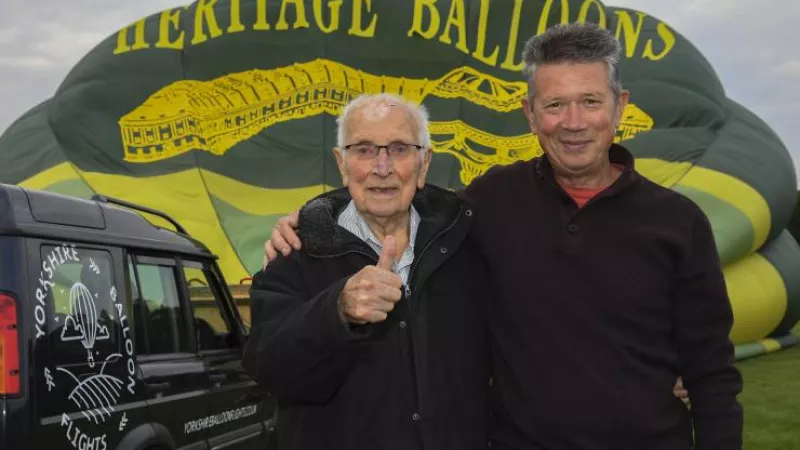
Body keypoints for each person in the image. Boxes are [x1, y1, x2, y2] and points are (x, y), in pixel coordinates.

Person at [263, 23, 743, 450]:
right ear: (531, 114)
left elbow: (712, 372)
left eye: (590, 101)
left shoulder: (679, 222)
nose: (573, 122)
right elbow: (395, 189)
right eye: (554, 105)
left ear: (619, 107)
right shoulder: (491, 201)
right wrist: (316, 217)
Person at [242, 93, 490, 450]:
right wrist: (336, 311)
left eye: (400, 148)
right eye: (364, 150)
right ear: (342, 164)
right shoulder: (294, 252)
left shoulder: (467, 245)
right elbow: (270, 370)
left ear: (423, 164)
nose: (382, 167)